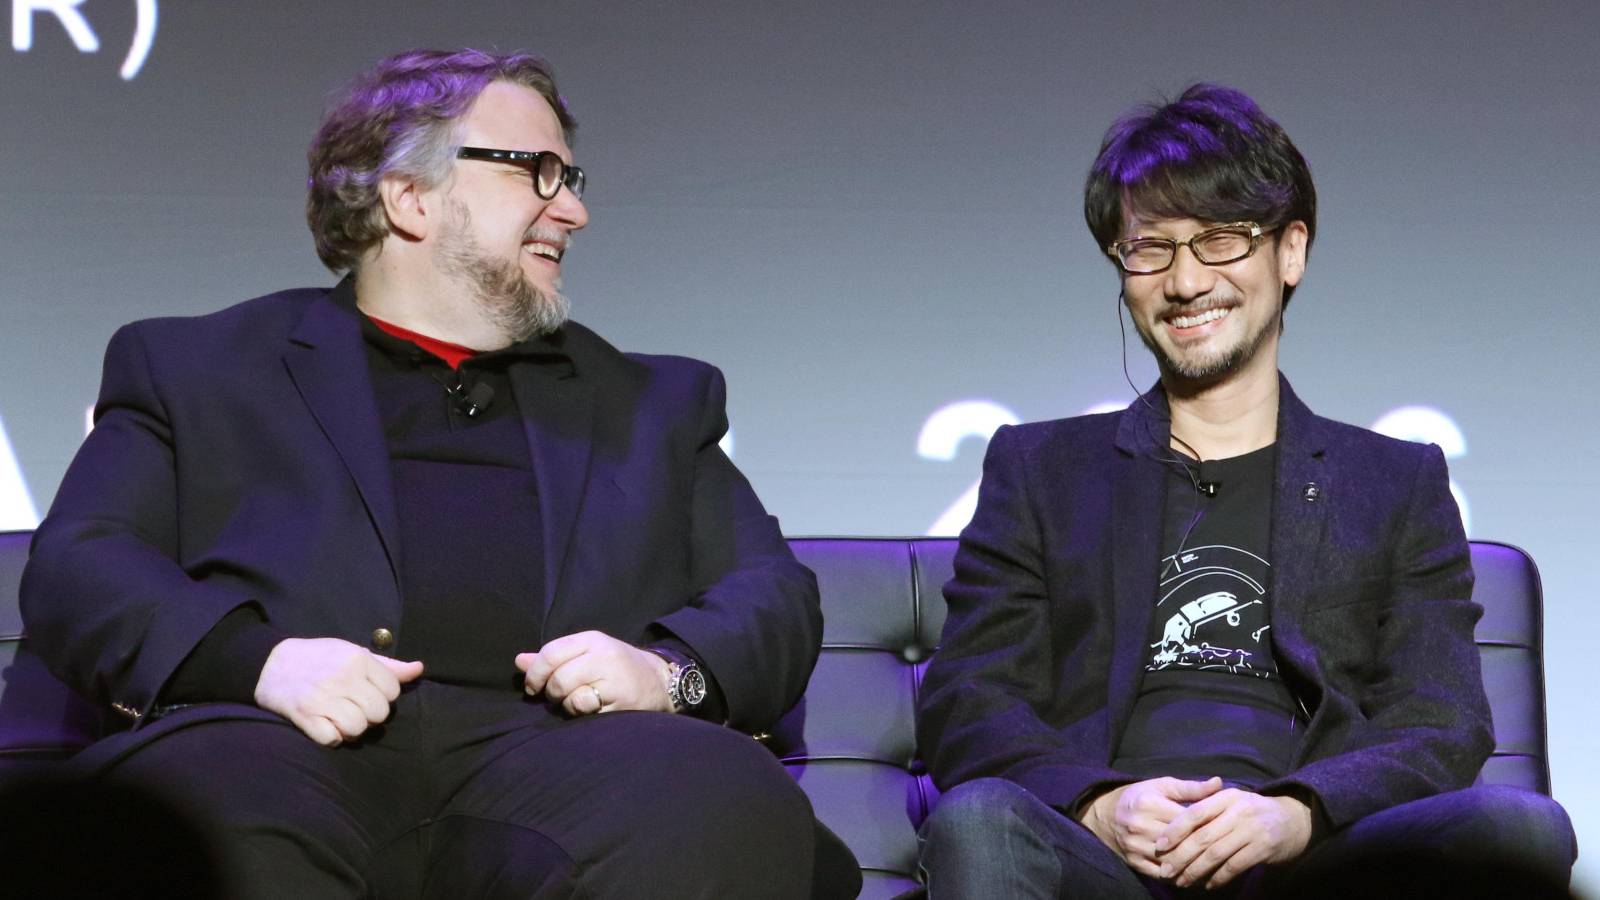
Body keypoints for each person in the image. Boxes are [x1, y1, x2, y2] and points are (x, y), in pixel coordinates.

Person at [20, 48, 857, 898]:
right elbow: (81, 566)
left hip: (568, 759)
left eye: (572, 177)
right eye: (539, 172)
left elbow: (773, 595)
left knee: (712, 798)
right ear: (408, 197)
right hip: (272, 748)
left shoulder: (656, 400)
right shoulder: (197, 368)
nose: (574, 210)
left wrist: (664, 672)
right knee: (188, 811)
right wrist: (260, 661)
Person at [914, 84, 1576, 898]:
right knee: (978, 819)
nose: (1186, 282)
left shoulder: (1395, 482)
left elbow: (1441, 720)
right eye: (1150, 248)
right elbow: (967, 698)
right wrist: (1098, 805)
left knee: (1522, 828)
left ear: (1290, 251)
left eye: (1221, 240)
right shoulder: (1041, 468)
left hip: (1314, 857)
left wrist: (1295, 814)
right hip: (1112, 862)